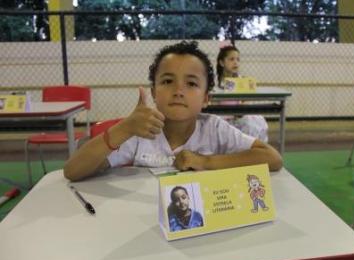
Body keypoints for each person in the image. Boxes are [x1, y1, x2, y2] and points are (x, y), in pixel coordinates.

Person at [63, 41, 282, 181]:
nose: (178, 91)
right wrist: (125, 128)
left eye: (191, 84)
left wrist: (205, 162)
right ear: (154, 92)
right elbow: (73, 171)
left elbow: (272, 158)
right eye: (167, 81)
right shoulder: (140, 133)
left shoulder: (214, 129)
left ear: (206, 98)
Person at [215, 45, 269, 143]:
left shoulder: (242, 80)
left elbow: (244, 101)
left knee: (255, 121)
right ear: (222, 63)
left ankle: (254, 151)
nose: (236, 62)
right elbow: (212, 103)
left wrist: (241, 109)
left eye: (238, 59)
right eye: (231, 59)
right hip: (222, 117)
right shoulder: (215, 82)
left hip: (239, 116)